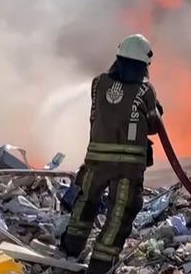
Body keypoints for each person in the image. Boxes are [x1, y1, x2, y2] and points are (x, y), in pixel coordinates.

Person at [61, 34, 163, 274]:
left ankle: (70, 247)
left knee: (86, 201)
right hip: (127, 167)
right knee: (121, 211)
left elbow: (102, 112)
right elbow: (153, 126)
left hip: (95, 160)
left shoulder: (98, 83)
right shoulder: (145, 90)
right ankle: (101, 263)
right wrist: (156, 110)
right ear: (143, 65)